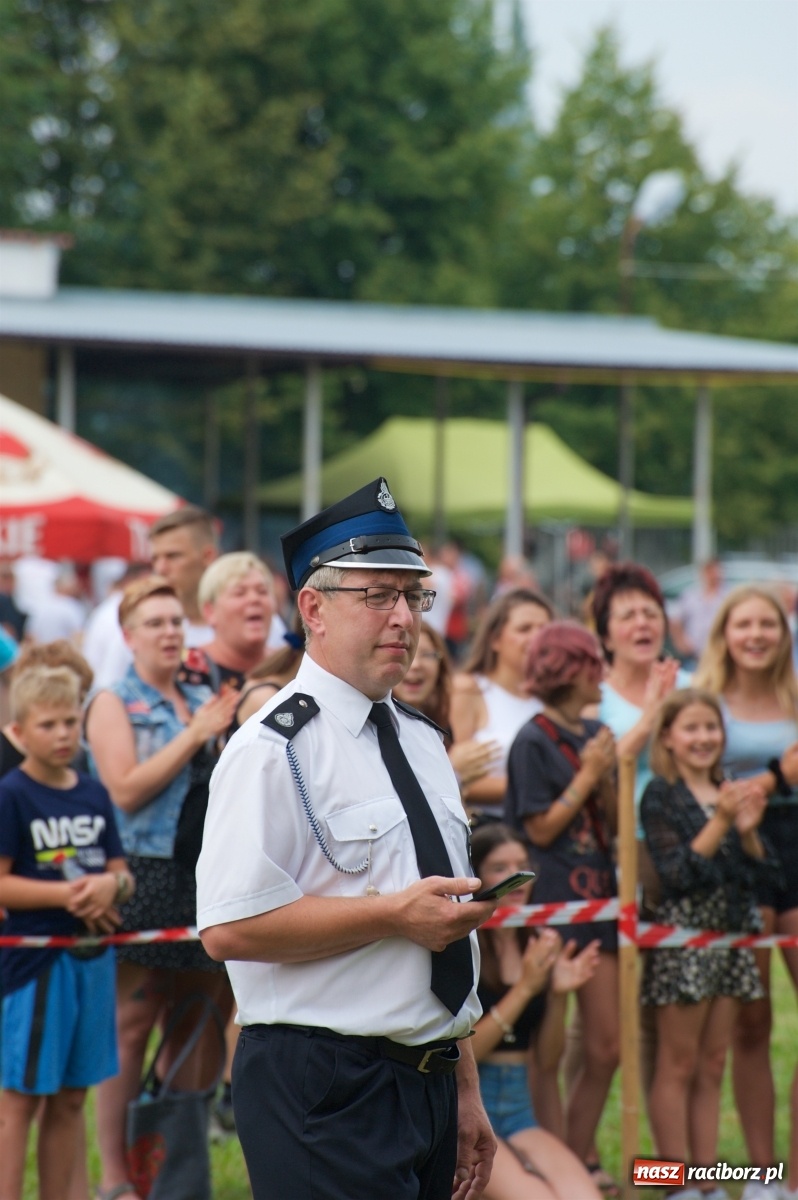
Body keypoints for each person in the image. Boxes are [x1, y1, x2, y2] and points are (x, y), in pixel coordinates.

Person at [197, 477, 499, 1200]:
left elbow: (442, 931)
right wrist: (392, 916)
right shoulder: (273, 748)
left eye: (414, 597)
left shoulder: (421, 739)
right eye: (377, 595)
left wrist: (463, 1086)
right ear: (313, 609)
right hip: (324, 1084)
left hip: (427, 1080)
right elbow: (228, 928)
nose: (403, 618)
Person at [84, 575, 238, 1200]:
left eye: (176, 621)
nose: (170, 632)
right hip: (144, 871)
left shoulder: (203, 694)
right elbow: (124, 789)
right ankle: (115, 1177)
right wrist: (196, 734)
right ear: (129, 636)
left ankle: (174, 1169)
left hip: (204, 870)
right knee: (132, 1021)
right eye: (155, 623)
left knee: (197, 1016)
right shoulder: (113, 701)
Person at [0, 666, 134, 1200]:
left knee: (73, 1098)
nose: (62, 735)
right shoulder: (12, 794)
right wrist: (67, 896)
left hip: (93, 962)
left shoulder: (95, 794)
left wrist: (110, 887)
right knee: (20, 1101)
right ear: (18, 732)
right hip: (36, 967)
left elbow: (122, 874)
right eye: (47, 724)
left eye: (69, 722)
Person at [641, 688, 779, 1200]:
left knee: (713, 1062)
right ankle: (673, 1183)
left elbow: (766, 877)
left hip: (731, 937)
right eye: (691, 728)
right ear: (668, 738)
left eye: (711, 727)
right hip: (685, 942)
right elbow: (676, 875)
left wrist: (748, 832)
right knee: (677, 1063)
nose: (703, 738)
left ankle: (706, 1180)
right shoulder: (661, 794)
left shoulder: (730, 789)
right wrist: (720, 821)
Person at [695, 585, 798, 1200]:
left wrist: (766, 782)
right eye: (744, 624)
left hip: (797, 845)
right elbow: (695, 779)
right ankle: (763, 1177)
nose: (756, 635)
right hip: (738, 856)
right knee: (752, 1023)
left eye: (768, 624)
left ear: (784, 635)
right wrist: (781, 774)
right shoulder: (704, 697)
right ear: (724, 635)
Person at [504, 621, 618, 1168]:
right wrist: (589, 773)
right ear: (570, 670)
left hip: (601, 897)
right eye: (594, 662)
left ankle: (573, 1157)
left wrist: (607, 776)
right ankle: (558, 1164)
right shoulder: (533, 739)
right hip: (551, 901)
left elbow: (613, 825)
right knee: (544, 1049)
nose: (603, 673)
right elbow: (541, 830)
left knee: (607, 1046)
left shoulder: (596, 732)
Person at [469, 823, 602, 1200]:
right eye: (500, 868)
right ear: (476, 877)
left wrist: (558, 996)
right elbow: (467, 1054)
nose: (516, 877)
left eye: (522, 865)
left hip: (519, 1106)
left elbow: (546, 1060)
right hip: (472, 1107)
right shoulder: (465, 945)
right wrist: (525, 988)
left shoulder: (537, 941)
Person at [450, 588, 554, 821]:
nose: (537, 638)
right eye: (524, 629)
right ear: (495, 639)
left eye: (544, 630)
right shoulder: (470, 689)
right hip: (489, 828)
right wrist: (544, 787)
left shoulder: (556, 695)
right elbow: (462, 779)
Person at [393, 621, 497, 802]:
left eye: (427, 655)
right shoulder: (377, 728)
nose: (416, 665)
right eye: (406, 650)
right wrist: (452, 770)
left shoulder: (443, 725)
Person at [180, 552, 276, 696]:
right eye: (240, 593)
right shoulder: (188, 670)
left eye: (262, 591)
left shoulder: (291, 665)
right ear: (210, 611)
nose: (254, 599)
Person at [148, 505, 219, 647]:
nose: (160, 569)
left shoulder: (250, 624)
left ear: (208, 557)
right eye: (155, 558)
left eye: (173, 556)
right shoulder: (139, 626)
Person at [668, 559, 728, 669]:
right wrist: (681, 642)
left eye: (717, 571)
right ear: (704, 573)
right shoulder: (691, 596)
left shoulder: (727, 596)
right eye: (711, 572)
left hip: (720, 657)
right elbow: (675, 620)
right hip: (695, 657)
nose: (715, 575)